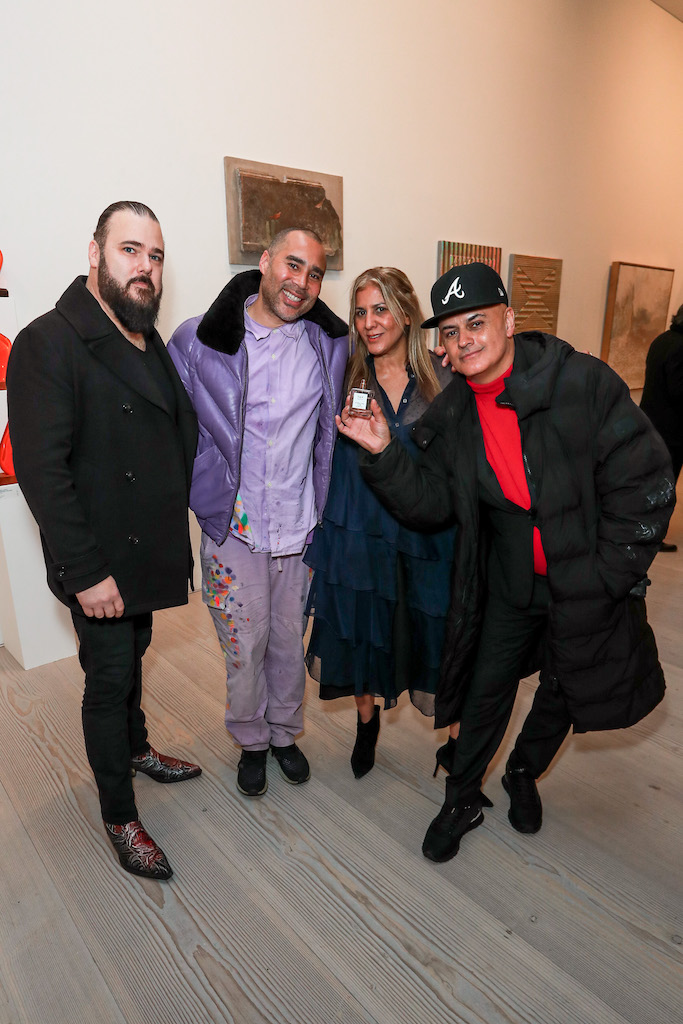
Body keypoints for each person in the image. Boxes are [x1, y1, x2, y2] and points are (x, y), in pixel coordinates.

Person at [338, 261, 674, 863]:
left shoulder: (581, 383)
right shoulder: (456, 412)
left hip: (585, 578)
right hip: (511, 582)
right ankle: (461, 797)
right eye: (451, 331)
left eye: (477, 323)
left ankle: (524, 770)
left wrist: (608, 575)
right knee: (484, 690)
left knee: (567, 687)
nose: (464, 339)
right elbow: (433, 503)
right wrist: (385, 453)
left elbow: (646, 480)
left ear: (510, 320)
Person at [7, 201, 201, 881]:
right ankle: (119, 812)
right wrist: (86, 571)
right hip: (99, 558)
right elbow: (40, 469)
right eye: (129, 251)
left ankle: (140, 747)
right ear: (94, 255)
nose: (144, 267)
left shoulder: (146, 338)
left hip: (146, 548)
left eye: (154, 255)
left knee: (135, 655)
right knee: (109, 675)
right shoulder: (49, 340)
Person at [168, 228, 347, 798]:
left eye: (315, 273)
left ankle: (285, 734)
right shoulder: (199, 339)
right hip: (232, 529)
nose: (301, 282)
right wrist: (198, 487)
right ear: (265, 262)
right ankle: (250, 740)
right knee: (243, 646)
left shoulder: (328, 345)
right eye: (292, 265)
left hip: (298, 524)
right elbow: (171, 424)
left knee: (288, 640)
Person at [304, 267, 457, 778]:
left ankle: (458, 748)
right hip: (361, 530)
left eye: (381, 309)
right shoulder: (345, 376)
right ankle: (366, 724)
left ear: (408, 314)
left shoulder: (443, 380)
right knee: (363, 630)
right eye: (362, 312)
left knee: (435, 634)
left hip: (426, 537)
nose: (370, 323)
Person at [639, 303, 683, 551]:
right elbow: (677, 390)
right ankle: (654, 536)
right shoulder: (680, 346)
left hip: (651, 422)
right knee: (664, 484)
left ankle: (646, 530)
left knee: (651, 481)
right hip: (672, 430)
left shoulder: (662, 340)